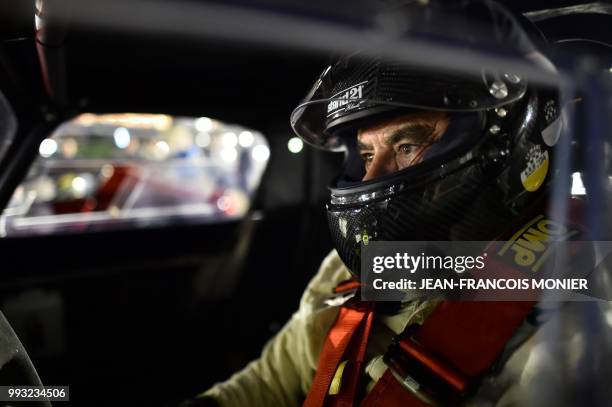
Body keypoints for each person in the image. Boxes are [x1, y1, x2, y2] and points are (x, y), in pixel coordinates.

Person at [180, 1, 611, 406]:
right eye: (366, 155)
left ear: (505, 145)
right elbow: (269, 384)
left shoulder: (573, 334)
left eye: (407, 144)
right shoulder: (350, 268)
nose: (371, 177)